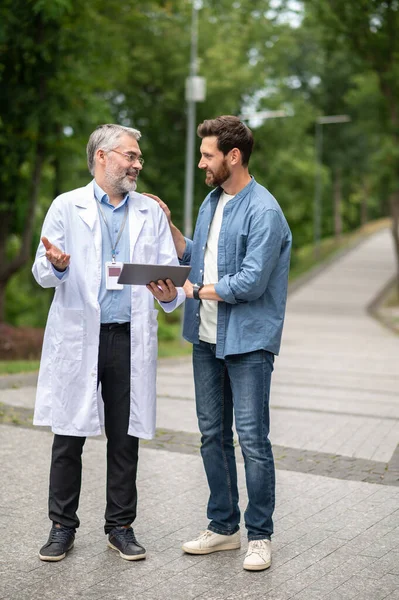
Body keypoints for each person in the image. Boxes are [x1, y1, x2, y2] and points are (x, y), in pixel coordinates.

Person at [32, 124, 185, 563]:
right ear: (102, 156)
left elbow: (169, 277)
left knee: (125, 436)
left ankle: (120, 526)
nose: (138, 164)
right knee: (69, 433)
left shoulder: (150, 212)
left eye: (139, 158)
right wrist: (57, 265)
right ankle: (62, 526)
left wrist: (168, 292)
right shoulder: (67, 206)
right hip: (80, 336)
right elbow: (43, 271)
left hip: (127, 337)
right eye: (130, 156)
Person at [150, 115, 291, 571]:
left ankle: (260, 536)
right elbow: (196, 258)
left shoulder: (264, 210)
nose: (200, 163)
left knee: (252, 439)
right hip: (206, 339)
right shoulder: (212, 202)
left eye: (207, 154)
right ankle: (223, 527)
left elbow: (250, 281)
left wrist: (192, 291)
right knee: (213, 436)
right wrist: (170, 228)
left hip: (249, 343)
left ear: (233, 156)